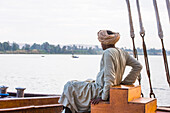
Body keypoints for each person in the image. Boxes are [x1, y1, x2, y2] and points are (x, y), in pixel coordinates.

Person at [58, 30, 142, 113]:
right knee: (87, 80)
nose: (101, 44)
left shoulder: (108, 53)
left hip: (101, 90)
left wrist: (103, 98)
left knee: (69, 86)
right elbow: (138, 66)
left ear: (105, 43)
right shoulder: (122, 52)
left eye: (101, 42)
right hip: (107, 88)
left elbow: (109, 78)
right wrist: (125, 83)